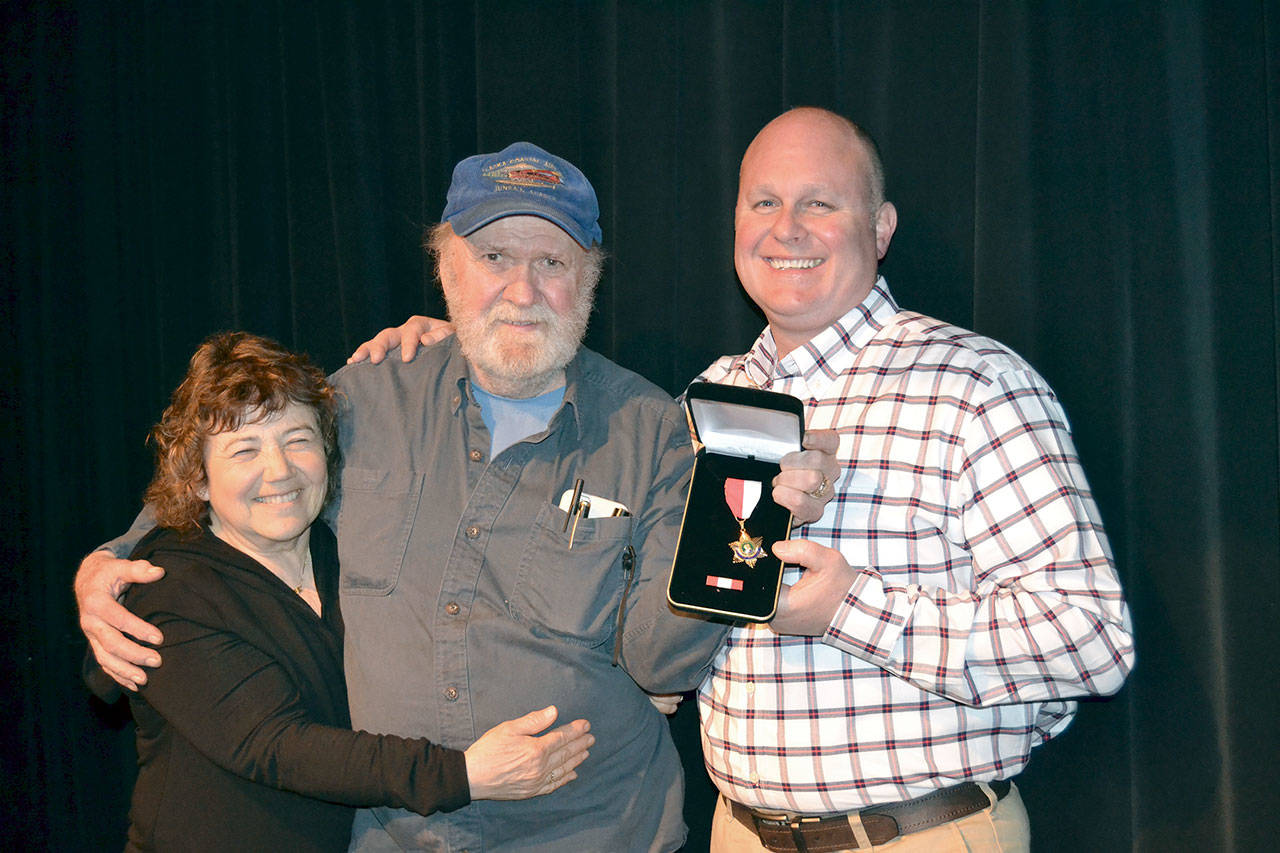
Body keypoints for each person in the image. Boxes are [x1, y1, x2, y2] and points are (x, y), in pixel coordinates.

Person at [351, 108, 1137, 852]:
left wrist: (852, 609)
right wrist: (478, 335)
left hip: (912, 833)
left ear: (881, 228)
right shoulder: (703, 401)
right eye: (764, 202)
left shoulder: (971, 384)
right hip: (740, 832)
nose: (786, 228)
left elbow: (1094, 640)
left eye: (819, 203)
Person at [76, 142, 839, 852]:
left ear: (589, 280)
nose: (521, 290)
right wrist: (114, 559)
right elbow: (243, 477)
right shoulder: (365, 397)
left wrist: (742, 533)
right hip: (387, 837)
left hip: (587, 836)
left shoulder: (653, 432)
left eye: (552, 261)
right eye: (493, 256)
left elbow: (658, 661)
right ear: (445, 267)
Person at [105, 331, 592, 852]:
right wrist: (464, 775)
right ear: (198, 479)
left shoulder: (348, 550)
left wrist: (469, 340)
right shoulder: (168, 588)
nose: (279, 471)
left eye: (297, 439)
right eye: (244, 450)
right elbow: (275, 746)